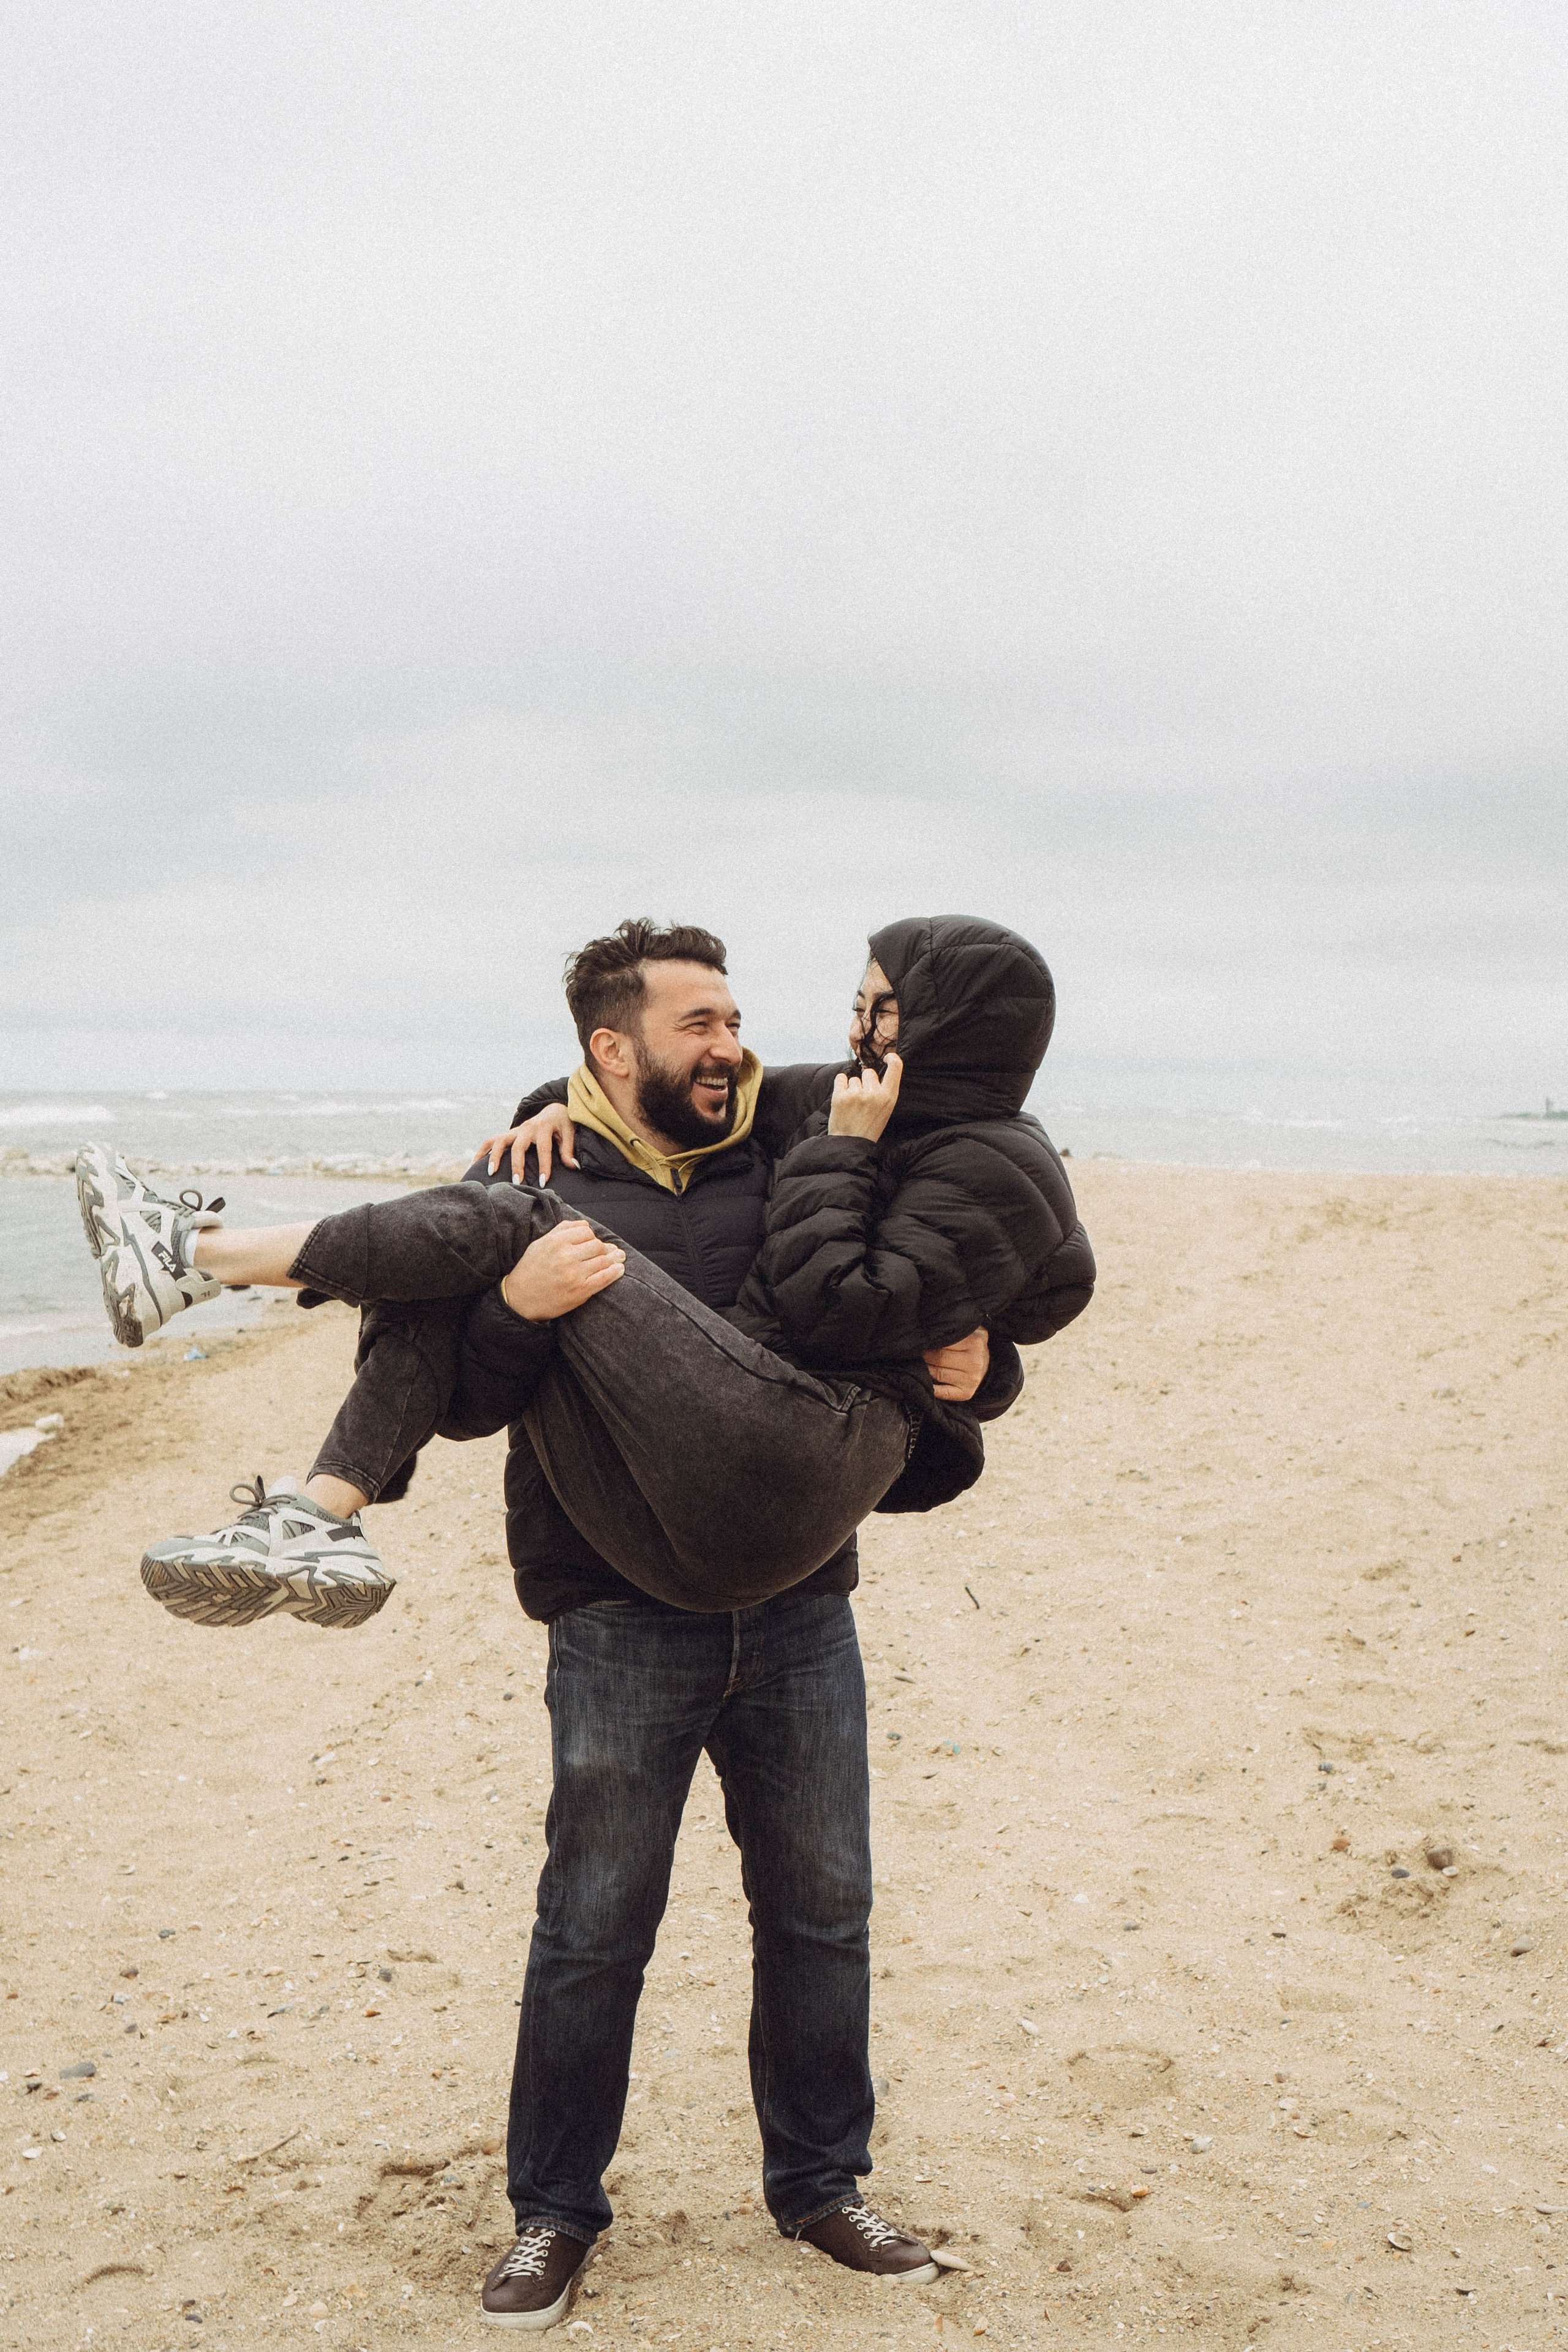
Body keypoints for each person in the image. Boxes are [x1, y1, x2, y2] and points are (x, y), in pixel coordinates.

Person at [75, 914, 1093, 2328]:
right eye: (700, 1028)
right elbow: (476, 1393)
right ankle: (553, 2214)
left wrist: (985, 1374)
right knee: (591, 1927)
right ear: (610, 1053)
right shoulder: (537, 1155)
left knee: (820, 1915)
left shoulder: (794, 1130)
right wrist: (507, 1302)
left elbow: (944, 1266)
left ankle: (819, 2184)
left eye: (737, 1021)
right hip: (616, 1607)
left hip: (798, 1606)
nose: (735, 1047)